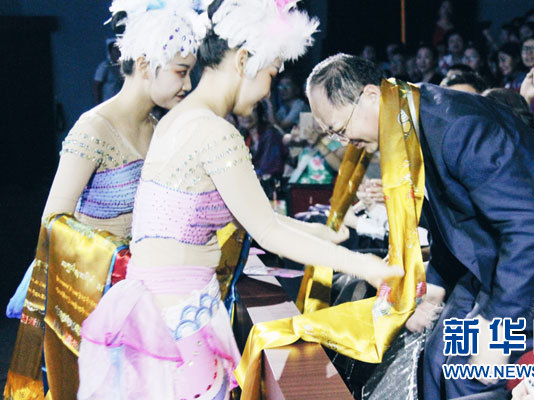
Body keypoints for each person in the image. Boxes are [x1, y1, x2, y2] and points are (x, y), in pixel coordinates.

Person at [77, 2, 401, 399]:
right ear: (244, 60)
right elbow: (266, 230)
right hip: (178, 316)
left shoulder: (178, 120)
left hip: (157, 306)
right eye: (271, 73)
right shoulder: (214, 132)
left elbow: (253, 216)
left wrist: (322, 234)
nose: (268, 90)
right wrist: (365, 266)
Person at [305, 53, 534, 399]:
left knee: (468, 373)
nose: (342, 142)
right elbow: (455, 218)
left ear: (371, 95)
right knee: (437, 356)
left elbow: (529, 226)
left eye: (340, 130)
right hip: (500, 263)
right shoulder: (413, 116)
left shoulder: (456, 127)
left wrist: (497, 324)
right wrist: (435, 284)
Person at [4, 1, 201, 399]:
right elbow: (53, 221)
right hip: (88, 295)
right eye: (182, 72)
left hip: (143, 292)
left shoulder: (160, 127)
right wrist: (116, 259)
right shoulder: (93, 128)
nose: (189, 84)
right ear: (144, 65)